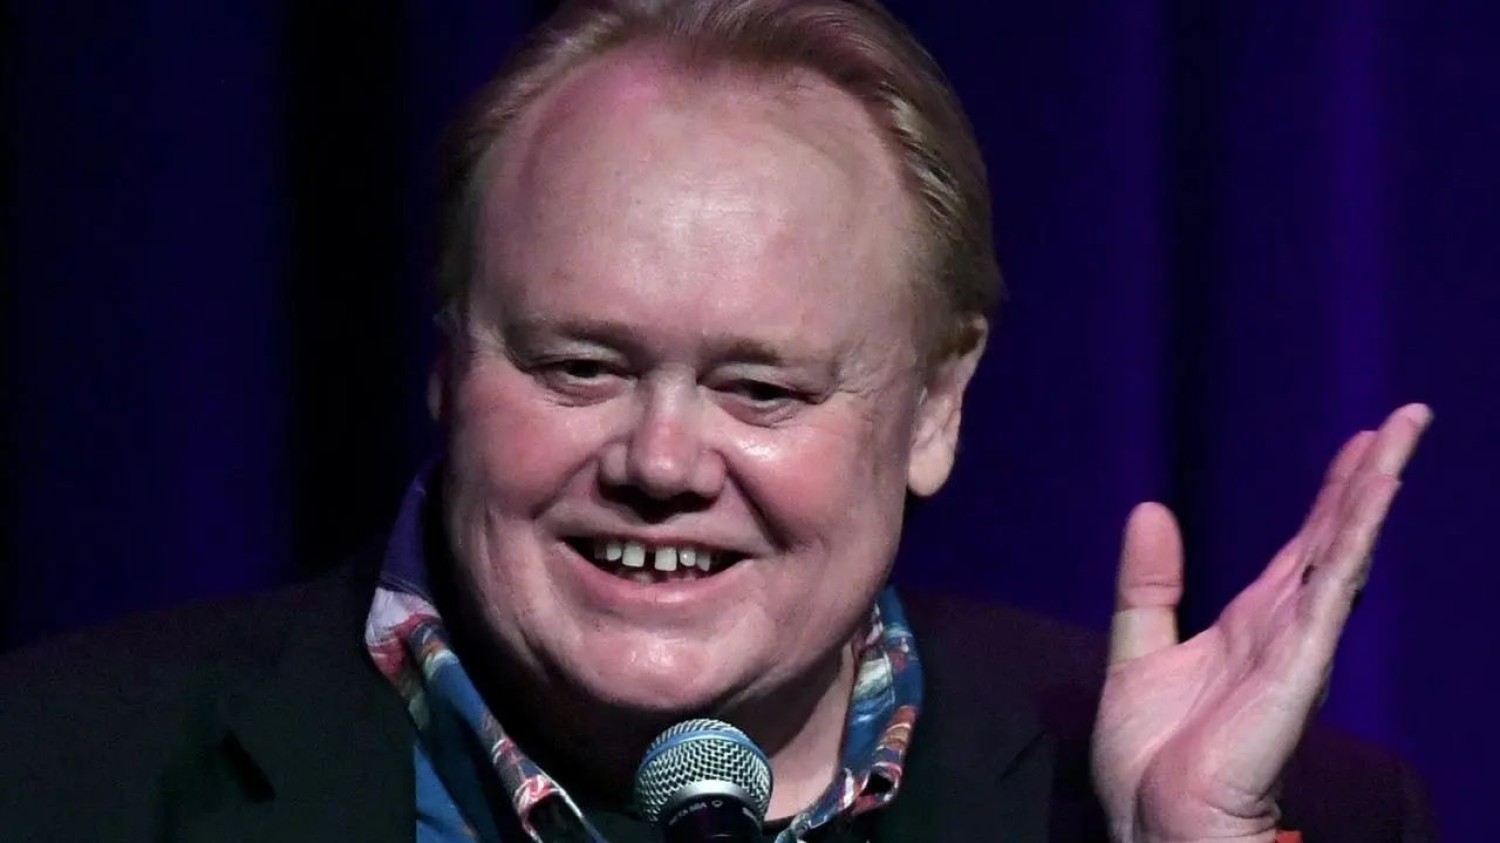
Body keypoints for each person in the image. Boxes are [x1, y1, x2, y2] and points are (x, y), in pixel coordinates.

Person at [0, 1, 1434, 841]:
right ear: (445, 359)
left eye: (762, 389)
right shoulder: (51, 777)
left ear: (936, 407)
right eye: (579, 366)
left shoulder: (1252, 816)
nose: (662, 464)